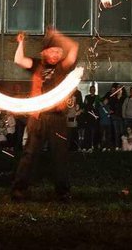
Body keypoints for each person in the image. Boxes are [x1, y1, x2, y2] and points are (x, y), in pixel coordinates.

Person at [11, 28, 79, 202]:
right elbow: (18, 60)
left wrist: (58, 35)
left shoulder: (62, 67)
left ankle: (63, 192)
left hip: (57, 118)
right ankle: (19, 189)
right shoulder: (36, 65)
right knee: (29, 154)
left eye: (59, 51)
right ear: (44, 52)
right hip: (38, 117)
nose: (56, 54)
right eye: (53, 50)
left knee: (60, 155)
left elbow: (74, 49)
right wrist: (21, 43)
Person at [78, 85, 98, 151]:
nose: (92, 90)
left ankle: (92, 145)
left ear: (95, 90)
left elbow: (97, 107)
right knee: (87, 133)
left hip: (94, 118)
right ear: (89, 90)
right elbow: (85, 106)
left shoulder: (97, 97)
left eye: (93, 89)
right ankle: (87, 146)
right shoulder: (87, 97)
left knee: (93, 132)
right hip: (88, 118)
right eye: (91, 89)